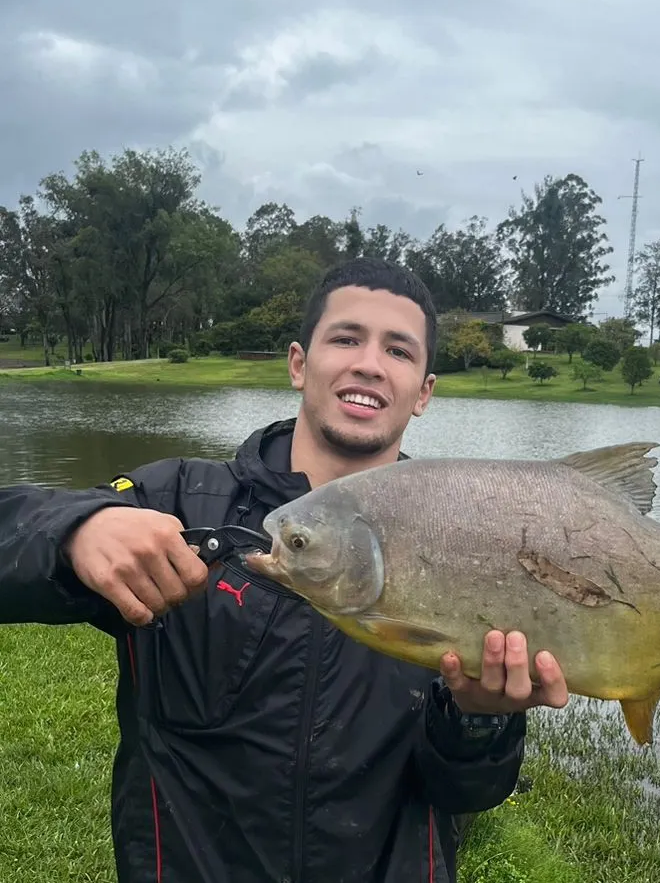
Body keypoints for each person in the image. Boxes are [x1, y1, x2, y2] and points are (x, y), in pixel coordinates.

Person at [0, 257, 570, 883]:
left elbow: (464, 792)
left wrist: (481, 716)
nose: (369, 364)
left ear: (425, 391)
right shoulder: (179, 502)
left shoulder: (465, 541)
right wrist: (76, 528)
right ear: (300, 363)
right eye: (346, 338)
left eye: (399, 351)